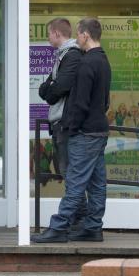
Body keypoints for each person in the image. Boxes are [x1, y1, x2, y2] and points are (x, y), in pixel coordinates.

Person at [32, 18, 112, 244]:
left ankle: (58, 227)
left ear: (85, 35)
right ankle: (93, 226)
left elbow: (80, 102)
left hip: (84, 131)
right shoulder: (103, 61)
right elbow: (104, 100)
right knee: (97, 182)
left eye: (78, 35)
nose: (77, 39)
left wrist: (71, 126)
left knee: (75, 180)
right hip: (99, 129)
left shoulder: (87, 64)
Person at [37, 18, 82, 178]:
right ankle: (75, 203)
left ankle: (75, 204)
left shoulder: (72, 55)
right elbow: (44, 88)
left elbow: (59, 87)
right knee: (66, 171)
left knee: (69, 172)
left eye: (48, 33)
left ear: (56, 33)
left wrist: (51, 88)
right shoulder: (62, 55)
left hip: (65, 123)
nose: (48, 37)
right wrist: (51, 87)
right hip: (59, 123)